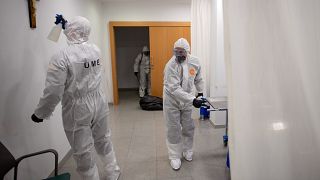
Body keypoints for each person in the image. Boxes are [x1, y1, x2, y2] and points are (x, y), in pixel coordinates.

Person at [31, 16, 120, 180]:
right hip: (99, 101)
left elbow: (53, 90)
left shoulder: (61, 57)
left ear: (70, 31)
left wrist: (41, 113)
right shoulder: (96, 50)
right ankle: (113, 171)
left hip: (77, 108)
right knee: (103, 138)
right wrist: (68, 26)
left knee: (82, 149)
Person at [163, 38, 205, 170]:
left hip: (187, 98)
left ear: (187, 51)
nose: (178, 55)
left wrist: (200, 93)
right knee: (173, 128)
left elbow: (198, 78)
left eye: (181, 52)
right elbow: (174, 89)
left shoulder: (195, 62)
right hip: (172, 100)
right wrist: (193, 100)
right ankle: (174, 156)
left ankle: (188, 149)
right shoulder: (171, 65)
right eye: (176, 52)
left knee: (188, 126)